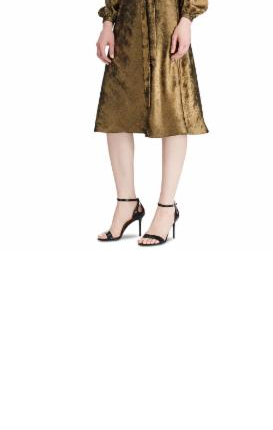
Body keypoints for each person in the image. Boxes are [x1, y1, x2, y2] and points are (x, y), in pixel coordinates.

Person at [94, 0, 209, 246]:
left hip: (168, 22)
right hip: (128, 25)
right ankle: (127, 203)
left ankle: (167, 208)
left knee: (173, 110)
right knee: (115, 112)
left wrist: (186, 20)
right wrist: (107, 23)